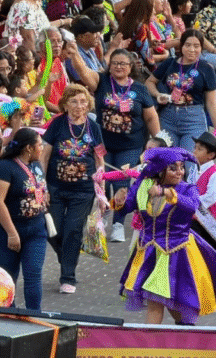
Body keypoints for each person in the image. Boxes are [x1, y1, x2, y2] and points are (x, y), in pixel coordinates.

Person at [112, 147, 216, 324]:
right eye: (173, 168)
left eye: (181, 167)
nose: (179, 172)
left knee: (176, 309)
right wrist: (118, 201)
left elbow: (192, 205)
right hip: (149, 254)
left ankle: (184, 337)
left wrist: (170, 194)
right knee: (156, 303)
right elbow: (129, 205)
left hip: (176, 255)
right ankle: (151, 348)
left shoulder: (187, 189)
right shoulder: (145, 185)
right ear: (161, 170)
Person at [70, 48, 161, 243]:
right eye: (115, 63)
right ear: (109, 66)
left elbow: (151, 116)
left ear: (130, 67)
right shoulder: (101, 82)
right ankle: (100, 220)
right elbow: (84, 72)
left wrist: (159, 143)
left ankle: (118, 224)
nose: (119, 67)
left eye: (123, 64)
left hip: (131, 145)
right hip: (103, 145)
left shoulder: (140, 88)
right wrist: (74, 54)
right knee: (103, 182)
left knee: (121, 182)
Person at [40, 84, 105, 294]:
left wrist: (101, 189)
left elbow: (99, 158)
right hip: (55, 188)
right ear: (65, 104)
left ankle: (68, 276)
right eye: (74, 101)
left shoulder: (93, 127)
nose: (79, 105)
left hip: (83, 190)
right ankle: (67, 256)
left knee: (73, 231)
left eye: (83, 101)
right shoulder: (57, 124)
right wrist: (42, 186)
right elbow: (44, 156)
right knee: (52, 230)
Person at [146, 29, 216, 154]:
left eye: (196, 46)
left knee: (191, 161)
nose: (192, 49)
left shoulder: (206, 68)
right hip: (168, 118)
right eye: (188, 45)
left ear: (202, 48)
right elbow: (149, 82)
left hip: (194, 120)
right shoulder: (170, 63)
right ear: (181, 46)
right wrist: (158, 95)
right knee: (167, 162)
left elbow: (212, 103)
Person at [0, 128, 48, 310]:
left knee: (33, 275)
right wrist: (12, 234)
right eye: (39, 145)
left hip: (36, 230)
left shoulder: (35, 165)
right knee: (7, 279)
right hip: (9, 232)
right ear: (28, 148)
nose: (42, 148)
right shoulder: (5, 167)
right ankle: (8, 318)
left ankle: (35, 317)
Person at [189, 131, 216, 256]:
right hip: (197, 215)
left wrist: (192, 203)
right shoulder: (194, 169)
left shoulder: (214, 173)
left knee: (214, 250)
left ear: (211, 155)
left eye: (200, 149)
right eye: (195, 148)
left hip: (213, 216)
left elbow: (212, 197)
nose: (195, 151)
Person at [3, 0, 72, 51]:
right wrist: (36, 62)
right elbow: (28, 38)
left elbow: (42, 28)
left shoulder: (34, 5)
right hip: (28, 57)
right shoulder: (23, 5)